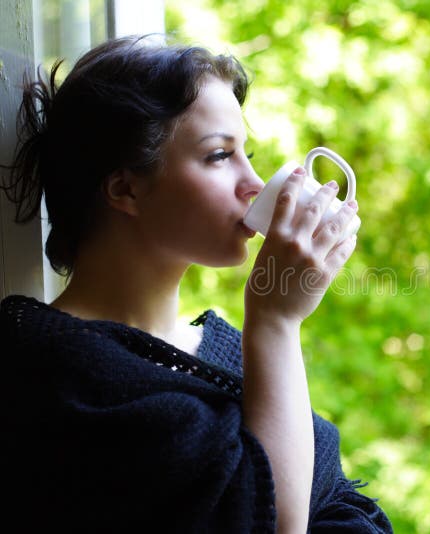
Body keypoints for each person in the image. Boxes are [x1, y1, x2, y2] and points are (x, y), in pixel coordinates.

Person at [0, 35, 392, 533]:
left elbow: (341, 502)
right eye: (219, 156)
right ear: (126, 188)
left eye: (246, 153)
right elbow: (272, 522)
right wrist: (275, 320)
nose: (253, 181)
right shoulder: (52, 372)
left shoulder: (222, 349)